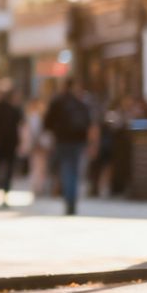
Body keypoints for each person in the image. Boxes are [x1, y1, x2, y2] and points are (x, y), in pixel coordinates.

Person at [44, 80, 93, 215]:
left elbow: (47, 121)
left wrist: (54, 132)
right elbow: (89, 123)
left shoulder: (58, 102)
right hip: (77, 141)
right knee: (74, 170)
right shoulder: (80, 102)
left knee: (66, 169)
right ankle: (72, 200)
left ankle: (69, 200)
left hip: (63, 140)